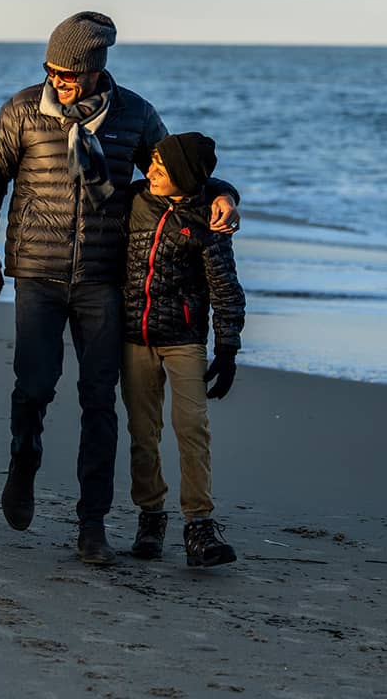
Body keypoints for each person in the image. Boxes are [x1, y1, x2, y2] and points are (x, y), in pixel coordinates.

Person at [0, 11, 238, 566]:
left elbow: (178, 174)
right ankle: (25, 457)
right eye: (51, 69)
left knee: (99, 402)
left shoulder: (135, 115)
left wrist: (224, 193)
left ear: (94, 69)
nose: (58, 79)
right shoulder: (21, 110)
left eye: (68, 72)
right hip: (37, 274)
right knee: (35, 389)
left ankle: (92, 525)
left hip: (104, 279)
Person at [120, 132, 245, 567]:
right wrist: (228, 192)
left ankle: (199, 527)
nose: (150, 171)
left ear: (186, 176)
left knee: (192, 429)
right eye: (151, 162)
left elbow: (226, 288)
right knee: (143, 434)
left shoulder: (206, 224)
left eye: (161, 166)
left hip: (184, 342)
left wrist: (227, 348)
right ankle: (151, 515)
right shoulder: (136, 201)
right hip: (134, 338)